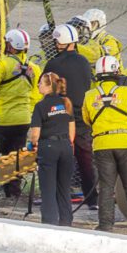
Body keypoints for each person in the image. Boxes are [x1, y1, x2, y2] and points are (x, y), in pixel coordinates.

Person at [83, 56, 127, 231]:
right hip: (125, 143)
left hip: (102, 144)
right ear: (116, 73)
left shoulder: (89, 96)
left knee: (106, 187)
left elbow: (87, 119)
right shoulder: (126, 92)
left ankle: (106, 224)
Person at [0, 29, 41, 198]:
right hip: (22, 120)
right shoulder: (34, 68)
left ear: (11, 46)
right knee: (15, 157)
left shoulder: (3, 64)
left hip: (0, 119)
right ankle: (13, 191)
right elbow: (36, 96)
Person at [41, 24, 98, 209]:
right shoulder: (83, 62)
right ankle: (92, 198)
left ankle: (59, 197)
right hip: (81, 116)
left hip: (60, 116)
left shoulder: (53, 64)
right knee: (86, 160)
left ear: (59, 43)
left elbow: (43, 88)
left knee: (60, 158)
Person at [28, 72, 76, 226]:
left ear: (49, 86)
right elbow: (72, 130)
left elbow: (35, 134)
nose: (38, 85)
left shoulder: (40, 106)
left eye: (41, 83)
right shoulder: (66, 103)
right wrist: (67, 144)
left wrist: (32, 143)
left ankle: (49, 221)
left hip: (48, 147)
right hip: (66, 146)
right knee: (64, 187)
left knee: (48, 188)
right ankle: (66, 220)